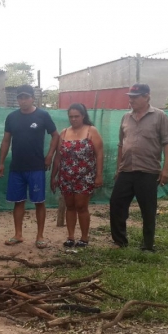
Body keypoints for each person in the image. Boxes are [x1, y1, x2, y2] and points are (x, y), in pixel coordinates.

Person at [109, 84, 168, 251]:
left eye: (135, 97)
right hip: (126, 169)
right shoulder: (125, 117)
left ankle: (148, 245)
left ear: (146, 97)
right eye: (130, 97)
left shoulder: (160, 116)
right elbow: (121, 145)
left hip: (148, 170)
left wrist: (165, 170)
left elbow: (167, 143)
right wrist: (118, 169)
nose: (131, 100)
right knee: (116, 203)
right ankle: (120, 241)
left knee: (148, 209)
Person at [0, 84, 59, 249]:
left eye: (26, 97)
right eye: (20, 97)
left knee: (39, 202)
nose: (23, 100)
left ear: (33, 98)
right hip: (17, 167)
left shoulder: (43, 115)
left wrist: (49, 156)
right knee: (18, 202)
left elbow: (55, 136)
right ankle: (18, 234)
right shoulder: (11, 117)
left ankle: (40, 236)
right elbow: (6, 141)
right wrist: (1, 162)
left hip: (36, 167)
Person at [50, 103, 104, 247]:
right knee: (70, 206)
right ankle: (70, 237)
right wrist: (53, 176)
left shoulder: (91, 131)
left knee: (81, 206)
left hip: (85, 177)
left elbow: (99, 154)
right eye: (71, 117)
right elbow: (58, 157)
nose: (73, 119)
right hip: (66, 176)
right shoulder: (64, 133)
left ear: (83, 116)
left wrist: (99, 175)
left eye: (76, 116)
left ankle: (84, 238)